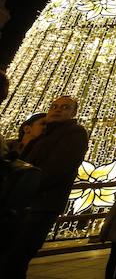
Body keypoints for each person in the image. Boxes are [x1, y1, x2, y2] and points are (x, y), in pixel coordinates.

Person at [7, 95, 89, 278]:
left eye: (65, 107)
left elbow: (57, 168)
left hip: (41, 205)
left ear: (74, 113)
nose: (57, 109)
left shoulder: (75, 133)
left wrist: (25, 188)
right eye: (54, 106)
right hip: (23, 203)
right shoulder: (43, 132)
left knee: (15, 257)